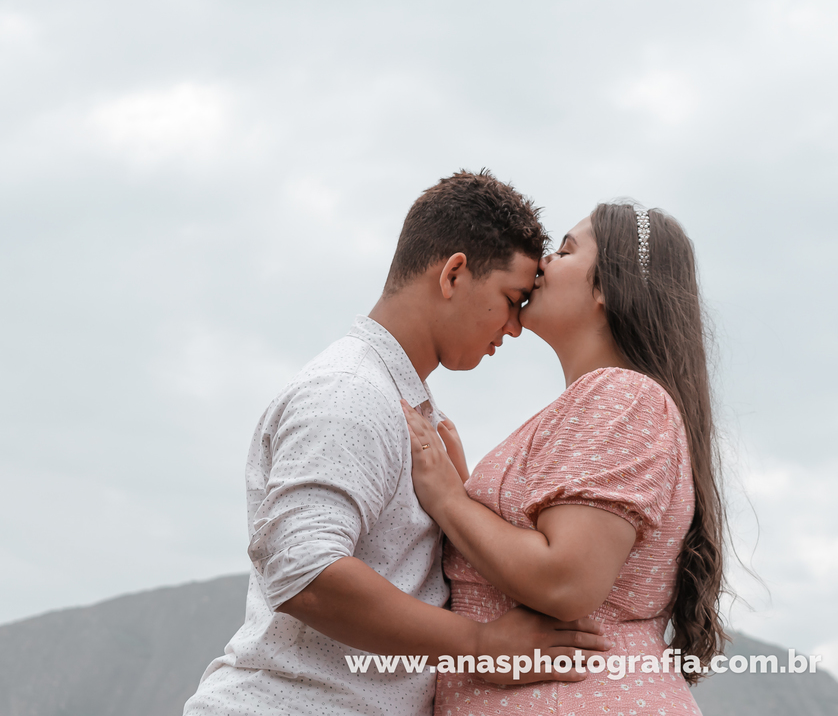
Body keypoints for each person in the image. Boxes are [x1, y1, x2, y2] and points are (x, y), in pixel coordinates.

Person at [183, 171, 610, 716]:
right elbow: (302, 571)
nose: (515, 326)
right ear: (453, 274)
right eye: (511, 299)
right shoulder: (349, 392)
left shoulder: (407, 407)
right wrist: (481, 644)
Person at [402, 201, 727, 715]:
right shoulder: (596, 403)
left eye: (566, 251)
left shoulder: (622, 396)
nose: (544, 263)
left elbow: (566, 579)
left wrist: (449, 499)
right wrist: (467, 495)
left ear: (607, 288)